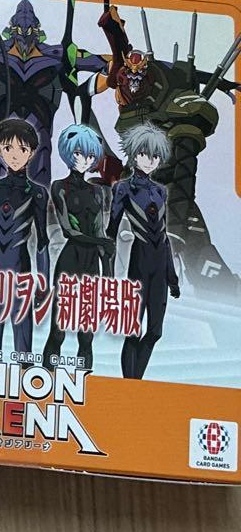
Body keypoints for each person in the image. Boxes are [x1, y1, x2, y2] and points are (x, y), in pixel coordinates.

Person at [108, 121, 179, 379]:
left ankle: (136, 380)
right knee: (133, 329)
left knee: (155, 331)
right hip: (138, 261)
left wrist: (172, 278)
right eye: (144, 154)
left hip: (160, 263)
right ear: (134, 154)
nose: (150, 160)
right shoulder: (123, 188)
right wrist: (108, 271)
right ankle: (130, 384)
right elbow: (112, 230)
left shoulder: (160, 191)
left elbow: (163, 234)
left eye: (155, 156)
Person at [0, 117, 49, 357]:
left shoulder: (37, 193)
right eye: (8, 148)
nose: (15, 155)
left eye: (22, 149)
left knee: (23, 349)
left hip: (21, 274)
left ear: (32, 153)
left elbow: (42, 242)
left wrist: (44, 283)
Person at [41, 124, 113, 371]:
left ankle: (86, 383)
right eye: (79, 153)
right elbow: (68, 230)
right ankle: (46, 378)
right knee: (58, 331)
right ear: (68, 153)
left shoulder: (98, 192)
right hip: (70, 260)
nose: (85, 160)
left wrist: (108, 274)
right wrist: (101, 243)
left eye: (91, 155)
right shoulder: (59, 187)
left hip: (92, 264)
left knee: (87, 334)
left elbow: (100, 230)